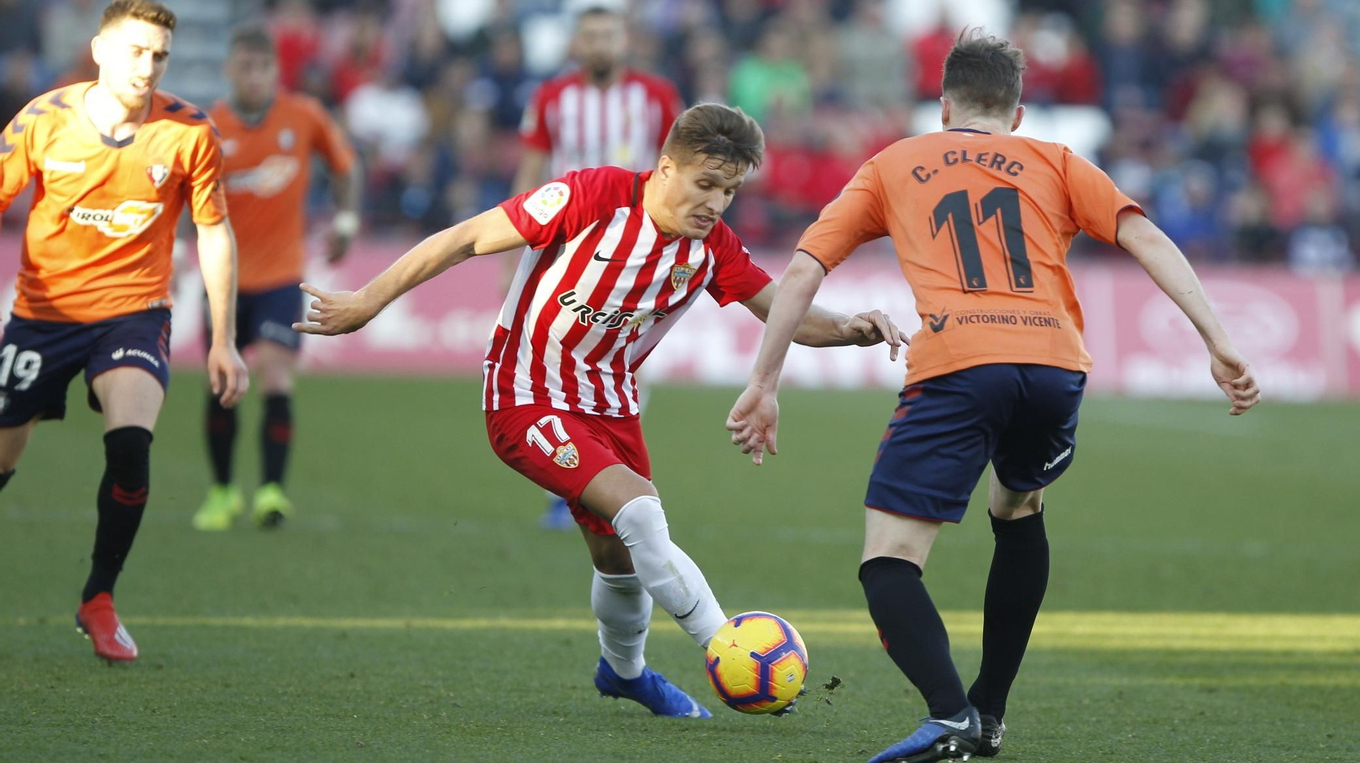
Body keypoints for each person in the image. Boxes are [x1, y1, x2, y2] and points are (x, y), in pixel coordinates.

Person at [727, 35, 1260, 762]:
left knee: (889, 560)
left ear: (943, 104)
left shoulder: (892, 163)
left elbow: (801, 273)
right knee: (1018, 506)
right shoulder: (1057, 160)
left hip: (959, 361)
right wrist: (1217, 338)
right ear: (1018, 110)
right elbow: (1146, 236)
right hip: (1054, 365)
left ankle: (951, 714)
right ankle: (990, 709)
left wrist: (763, 382)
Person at [296, 102, 906, 717]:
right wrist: (367, 300)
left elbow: (786, 313)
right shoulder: (590, 196)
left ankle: (623, 672)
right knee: (641, 515)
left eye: (730, 189)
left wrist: (854, 327)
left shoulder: (712, 248)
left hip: (612, 409)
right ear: (666, 168)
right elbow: (466, 238)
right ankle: (732, 649)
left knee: (618, 561)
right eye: (706, 184)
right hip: (525, 397)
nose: (717, 203)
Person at [0, 0, 249, 663]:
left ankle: (99, 597)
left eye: (160, 55)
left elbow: (214, 231)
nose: (149, 66)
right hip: (41, 315)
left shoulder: (190, 132)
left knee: (132, 444)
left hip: (134, 312)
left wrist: (222, 337)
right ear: (100, 48)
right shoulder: (44, 120)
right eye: (137, 51)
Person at [513, 4, 683, 529]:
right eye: (590, 35)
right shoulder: (551, 98)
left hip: (636, 249)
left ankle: (605, 474)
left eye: (609, 34)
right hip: (565, 243)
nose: (600, 43)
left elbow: (677, 166)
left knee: (628, 364)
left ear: (623, 40)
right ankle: (566, 483)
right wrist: (516, 244)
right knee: (552, 361)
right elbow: (532, 168)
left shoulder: (655, 96)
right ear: (577, 44)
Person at [192, 25, 360, 531]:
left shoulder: (304, 116)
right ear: (229, 70)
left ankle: (271, 491)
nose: (255, 76)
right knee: (223, 381)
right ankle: (222, 492)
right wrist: (180, 248)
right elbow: (186, 195)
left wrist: (347, 221)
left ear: (275, 71)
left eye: (263, 67)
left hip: (283, 276)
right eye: (245, 66)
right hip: (222, 278)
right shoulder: (209, 127)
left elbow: (346, 167)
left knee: (276, 375)